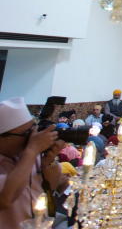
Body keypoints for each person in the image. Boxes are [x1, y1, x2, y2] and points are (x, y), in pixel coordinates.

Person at [0, 97, 64, 227]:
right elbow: (5, 198)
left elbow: (50, 188)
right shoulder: (31, 150)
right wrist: (32, 150)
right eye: (27, 133)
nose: (33, 137)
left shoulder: (30, 152)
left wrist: (50, 161)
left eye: (34, 129)